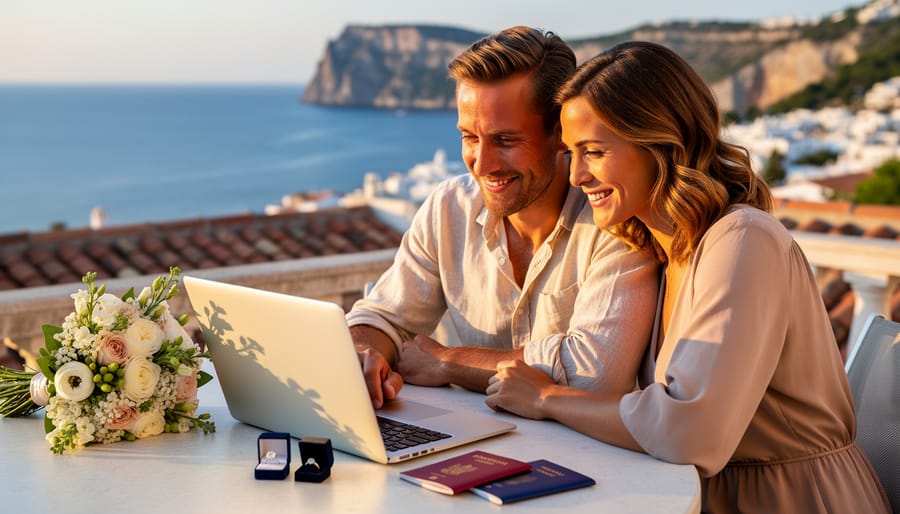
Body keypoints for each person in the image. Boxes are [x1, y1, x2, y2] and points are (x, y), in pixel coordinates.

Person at [484, 41, 891, 513]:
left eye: (593, 152)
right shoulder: (661, 249)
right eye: (571, 153)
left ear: (660, 142)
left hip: (794, 499)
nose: (576, 176)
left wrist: (548, 398)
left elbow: (689, 431)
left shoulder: (742, 239)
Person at [347, 26, 658, 409]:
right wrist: (365, 350)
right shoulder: (448, 208)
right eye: (469, 137)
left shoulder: (614, 218)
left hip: (590, 461)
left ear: (562, 134)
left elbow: (595, 374)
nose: (483, 164)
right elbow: (383, 318)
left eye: (506, 141)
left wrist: (450, 362)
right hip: (467, 449)